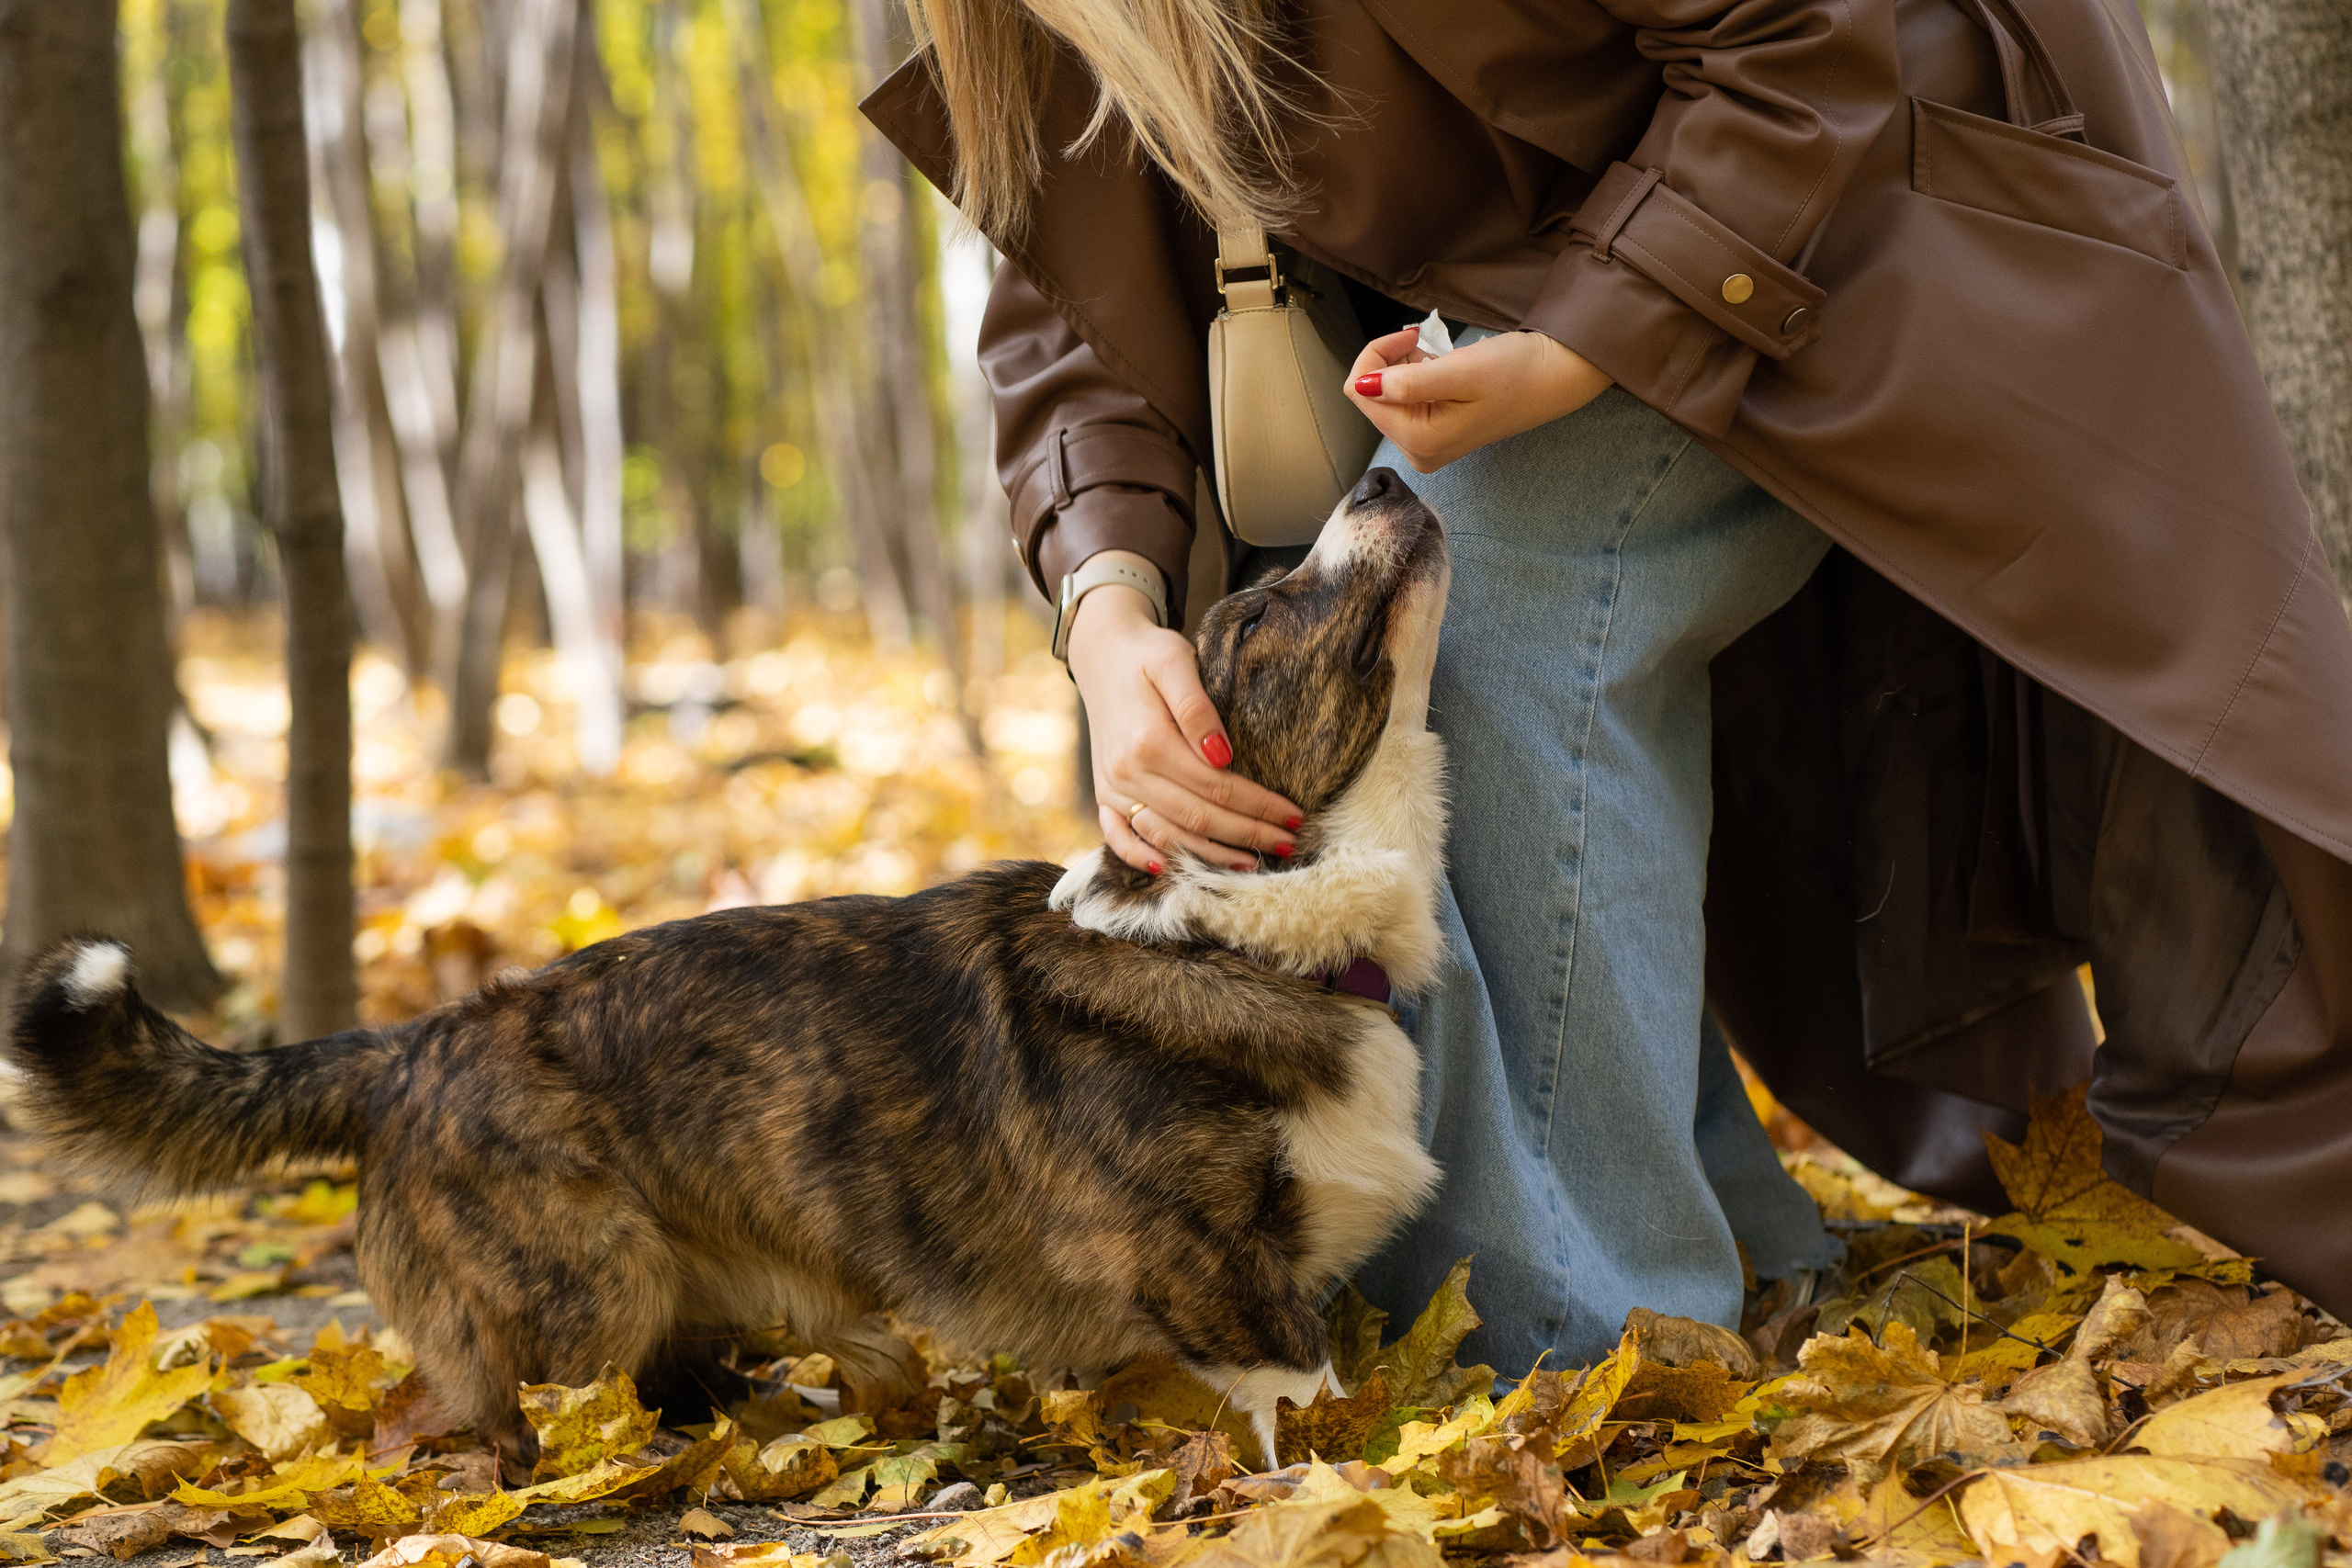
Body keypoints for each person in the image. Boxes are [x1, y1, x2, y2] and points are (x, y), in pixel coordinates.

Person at [863, 0, 2352, 1372]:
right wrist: (1108, 609)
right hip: (1524, 277)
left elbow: (1800, 46)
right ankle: (1732, 1249)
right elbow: (1073, 280)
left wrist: (1582, 341)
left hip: (1861, 206)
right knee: (1297, 679)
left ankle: (1589, 1335)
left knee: (1479, 610)